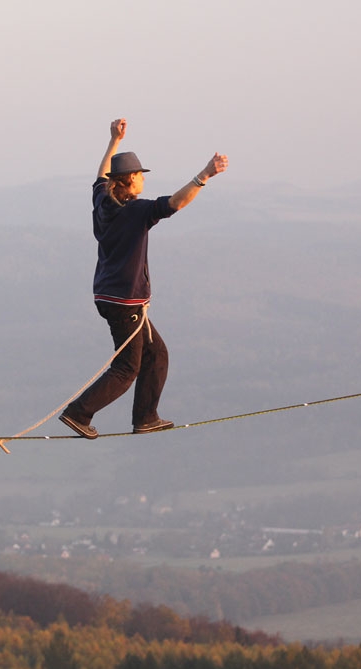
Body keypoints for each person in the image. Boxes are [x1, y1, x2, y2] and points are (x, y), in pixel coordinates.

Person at [59, 118, 229, 439]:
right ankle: (79, 413)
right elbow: (175, 203)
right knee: (127, 368)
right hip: (127, 302)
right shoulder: (135, 212)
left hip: (110, 296)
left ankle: (146, 417)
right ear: (131, 179)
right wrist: (205, 174)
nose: (142, 181)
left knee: (156, 354)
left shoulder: (103, 201)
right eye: (139, 176)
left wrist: (114, 141)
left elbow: (100, 176)